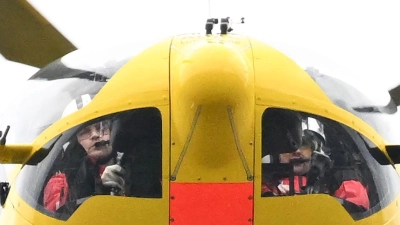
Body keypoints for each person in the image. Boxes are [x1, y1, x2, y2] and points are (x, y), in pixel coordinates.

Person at [262, 117, 370, 212]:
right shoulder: (259, 178)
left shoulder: (338, 179)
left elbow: (358, 209)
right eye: (289, 146)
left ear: (316, 149)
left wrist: (318, 202)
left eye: (304, 144)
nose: (297, 151)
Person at [43, 119, 129, 213]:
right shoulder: (60, 184)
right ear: (76, 142)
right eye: (85, 132)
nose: (95, 135)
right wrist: (99, 190)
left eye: (101, 128)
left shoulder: (135, 166)